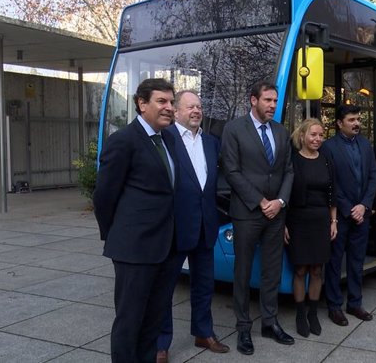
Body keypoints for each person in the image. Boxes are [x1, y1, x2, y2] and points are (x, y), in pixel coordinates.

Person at [93, 78, 181, 363]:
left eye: (171, 102)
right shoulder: (123, 140)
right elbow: (104, 196)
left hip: (165, 247)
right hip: (134, 249)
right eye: (161, 101)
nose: (169, 107)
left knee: (153, 320)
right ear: (142, 104)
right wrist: (117, 236)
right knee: (130, 322)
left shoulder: (168, 138)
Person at [220, 81, 295, 355]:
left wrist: (280, 202)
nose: (273, 105)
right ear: (253, 100)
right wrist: (261, 201)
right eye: (267, 100)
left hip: (276, 214)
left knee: (272, 270)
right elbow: (231, 171)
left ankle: (269, 322)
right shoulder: (234, 129)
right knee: (242, 271)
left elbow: (288, 171)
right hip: (247, 213)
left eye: (275, 101)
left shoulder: (280, 131)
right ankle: (243, 328)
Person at [156, 90, 228, 363]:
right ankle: (161, 344)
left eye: (199, 107)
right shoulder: (165, 139)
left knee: (204, 284)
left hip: (206, 226)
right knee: (165, 288)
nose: (196, 111)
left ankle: (203, 332)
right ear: (176, 112)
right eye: (190, 107)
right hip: (175, 228)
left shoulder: (211, 142)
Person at [319, 104, 376, 326]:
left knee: (356, 261)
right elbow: (330, 183)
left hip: (362, 215)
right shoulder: (328, 147)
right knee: (335, 262)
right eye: (351, 120)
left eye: (358, 119)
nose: (356, 124)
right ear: (339, 123)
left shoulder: (365, 144)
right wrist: (348, 208)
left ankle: (355, 303)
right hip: (340, 216)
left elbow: (373, 176)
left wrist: (364, 205)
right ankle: (334, 306)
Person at [284, 118, 337, 337]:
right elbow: (284, 192)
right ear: (303, 136)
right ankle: (300, 314)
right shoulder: (293, 160)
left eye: (321, 135)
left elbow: (333, 191)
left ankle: (313, 313)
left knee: (317, 269)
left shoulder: (326, 160)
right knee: (300, 269)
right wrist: (283, 224)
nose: (317, 139)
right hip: (298, 220)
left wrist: (334, 221)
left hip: (321, 220)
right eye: (313, 135)